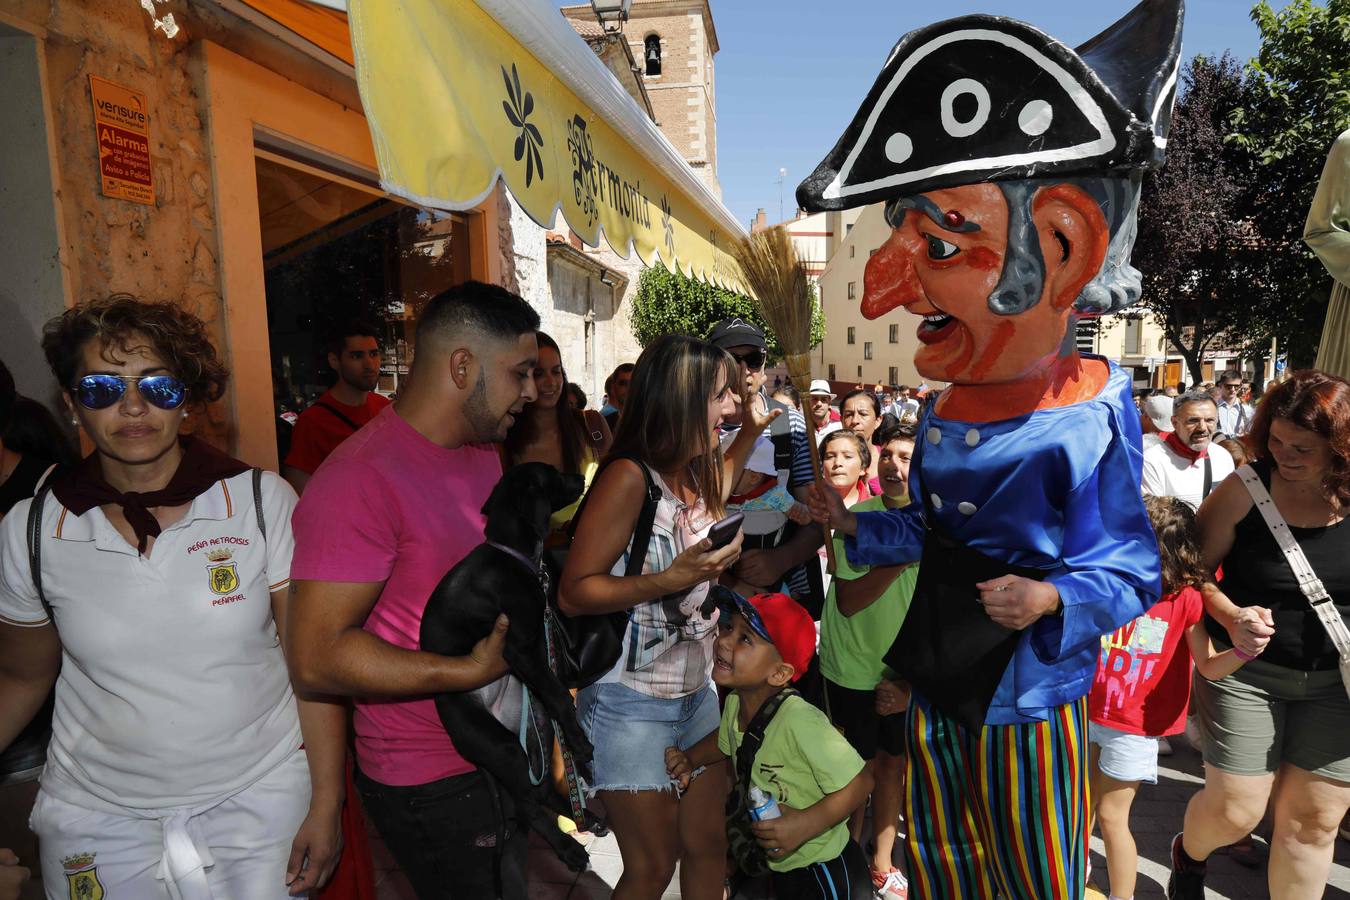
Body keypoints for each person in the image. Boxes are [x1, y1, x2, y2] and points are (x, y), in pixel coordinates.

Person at [797, 0, 1174, 892]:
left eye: (936, 241)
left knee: (1034, 873)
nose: (886, 296)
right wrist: (854, 526)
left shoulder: (1089, 410)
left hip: (1028, 697)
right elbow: (933, 537)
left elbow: (1133, 567)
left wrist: (1051, 596)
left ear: (1063, 244)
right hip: (937, 684)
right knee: (942, 865)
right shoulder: (941, 411)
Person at [0, 294, 345, 899]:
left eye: (157, 387)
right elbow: (23, 679)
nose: (131, 407)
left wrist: (327, 801)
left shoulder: (261, 504)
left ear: (187, 401)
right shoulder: (32, 529)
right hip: (96, 814)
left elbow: (309, 671)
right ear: (69, 402)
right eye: (102, 387)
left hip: (257, 800)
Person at [285, 281, 534, 899]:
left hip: (493, 749)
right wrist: (463, 672)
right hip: (430, 778)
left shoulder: (481, 451)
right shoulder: (357, 480)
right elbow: (315, 658)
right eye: (520, 373)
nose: (532, 392)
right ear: (461, 366)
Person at [559, 334, 775, 900]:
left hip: (696, 696)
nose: (731, 406)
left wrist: (751, 431)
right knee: (652, 869)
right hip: (630, 705)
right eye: (721, 396)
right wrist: (670, 579)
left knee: (708, 847)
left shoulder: (692, 470)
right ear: (681, 398)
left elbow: (718, 487)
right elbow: (574, 592)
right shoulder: (627, 478)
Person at [1169, 370, 1350, 900]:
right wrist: (1228, 614)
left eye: (1303, 448)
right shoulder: (1246, 488)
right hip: (1245, 673)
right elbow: (1189, 570)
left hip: (1337, 684)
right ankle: (1190, 854)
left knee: (1314, 822)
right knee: (1237, 810)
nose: (1284, 455)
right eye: (1275, 440)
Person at [1089, 495, 1251, 900]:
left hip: (1136, 727)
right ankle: (1076, 880)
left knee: (1111, 816)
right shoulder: (1107, 580)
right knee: (1079, 813)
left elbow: (1209, 665)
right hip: (1084, 712)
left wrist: (1245, 651)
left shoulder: (1186, 598)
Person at [665, 590, 874, 900]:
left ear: (780, 673)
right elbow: (725, 742)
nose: (724, 641)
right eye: (728, 628)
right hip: (780, 867)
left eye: (745, 639)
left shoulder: (800, 721)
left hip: (823, 870)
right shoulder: (736, 703)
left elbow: (862, 782)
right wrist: (691, 759)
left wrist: (804, 824)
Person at [818, 422, 917, 898]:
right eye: (889, 456)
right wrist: (905, 555)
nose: (895, 467)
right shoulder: (856, 516)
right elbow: (850, 601)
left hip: (906, 672)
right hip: (853, 666)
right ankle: (848, 857)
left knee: (892, 766)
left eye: (907, 458)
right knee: (854, 769)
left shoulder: (941, 522)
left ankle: (882, 860)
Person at [707, 318, 826, 615]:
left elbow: (814, 516)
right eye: (731, 360)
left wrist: (780, 560)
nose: (744, 370)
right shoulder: (696, 428)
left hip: (779, 588)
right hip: (709, 588)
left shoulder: (790, 423)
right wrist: (726, 577)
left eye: (754, 359)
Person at [504, 331, 612, 540]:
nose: (551, 382)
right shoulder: (503, 440)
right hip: (535, 566)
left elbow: (617, 497)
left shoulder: (591, 424)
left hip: (598, 559)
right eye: (538, 373)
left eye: (556, 371)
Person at [283, 318, 389, 495]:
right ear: (334, 361)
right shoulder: (313, 422)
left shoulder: (385, 408)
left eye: (374, 354)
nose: (369, 364)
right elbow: (301, 493)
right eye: (357, 356)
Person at [1141, 391, 1236, 511]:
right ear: (1175, 423)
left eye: (1209, 420)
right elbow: (1155, 518)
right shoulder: (1152, 460)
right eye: (1193, 420)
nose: (1202, 428)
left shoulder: (1222, 457)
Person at [838, 389, 883, 495]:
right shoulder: (832, 459)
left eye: (863, 414)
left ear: (878, 421)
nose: (854, 421)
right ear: (841, 420)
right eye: (849, 414)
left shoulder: (892, 458)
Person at [1215, 369, 1253, 438]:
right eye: (1228, 386)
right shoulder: (1213, 408)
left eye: (1236, 386)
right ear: (1220, 385)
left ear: (1240, 386)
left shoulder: (1247, 409)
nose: (1232, 389)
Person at [601, 362, 635, 431]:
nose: (629, 388)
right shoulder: (604, 422)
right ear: (613, 388)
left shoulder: (649, 421)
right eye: (624, 383)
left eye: (634, 383)